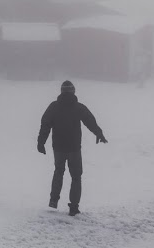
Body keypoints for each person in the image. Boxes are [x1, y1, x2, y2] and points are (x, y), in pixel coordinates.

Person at [37, 80, 107, 216]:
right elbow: (90, 121)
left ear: (61, 92)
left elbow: (45, 124)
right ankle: (74, 207)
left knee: (58, 171)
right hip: (74, 147)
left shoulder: (53, 107)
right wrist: (99, 133)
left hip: (58, 147)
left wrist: (41, 142)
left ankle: (53, 200)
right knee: (76, 176)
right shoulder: (79, 107)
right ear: (73, 92)